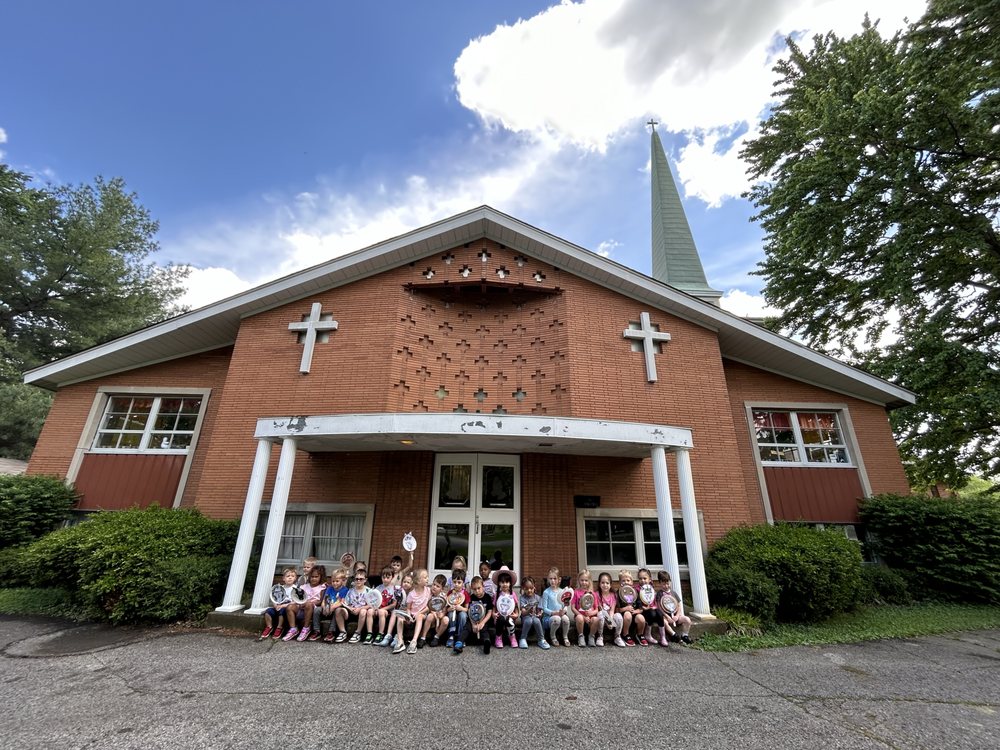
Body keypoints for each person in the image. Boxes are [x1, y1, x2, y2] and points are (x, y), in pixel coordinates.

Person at [395, 568, 431, 654]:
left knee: (419, 617)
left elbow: (428, 607)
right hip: (411, 614)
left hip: (422, 614)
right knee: (400, 618)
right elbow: (408, 608)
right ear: (418, 581)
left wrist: (419, 613)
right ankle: (400, 641)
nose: (427, 579)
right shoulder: (411, 594)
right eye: (425, 577)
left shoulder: (428, 591)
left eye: (427, 577)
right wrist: (408, 616)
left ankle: (414, 641)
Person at [337, 569, 375, 644]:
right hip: (351, 612)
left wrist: (360, 609)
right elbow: (346, 603)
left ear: (365, 580)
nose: (358, 581)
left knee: (363, 611)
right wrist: (350, 608)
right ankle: (342, 632)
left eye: (361, 579)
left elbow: (371, 604)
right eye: (356, 579)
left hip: (362, 614)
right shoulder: (350, 591)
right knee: (338, 610)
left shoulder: (369, 591)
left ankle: (358, 633)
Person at [657, 570, 693, 645]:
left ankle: (685, 635)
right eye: (663, 584)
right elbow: (659, 607)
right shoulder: (659, 594)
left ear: (670, 582)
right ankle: (674, 635)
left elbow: (679, 605)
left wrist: (677, 616)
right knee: (664, 622)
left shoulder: (673, 593)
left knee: (687, 620)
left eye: (667, 583)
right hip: (666, 617)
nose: (666, 586)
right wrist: (667, 617)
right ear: (659, 583)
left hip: (675, 616)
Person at [461, 575, 495, 654]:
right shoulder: (471, 598)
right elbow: (469, 611)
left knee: (484, 629)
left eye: (479, 588)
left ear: (483, 586)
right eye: (474, 589)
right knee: (467, 628)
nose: (477, 591)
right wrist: (473, 624)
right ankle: (460, 642)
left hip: (484, 620)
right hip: (472, 619)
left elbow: (489, 612)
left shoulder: (487, 597)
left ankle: (487, 642)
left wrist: (482, 623)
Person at [260, 567, 297, 640]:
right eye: (288, 576)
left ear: (295, 578)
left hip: (286, 609)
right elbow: (274, 598)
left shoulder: (295, 588)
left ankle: (279, 627)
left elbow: (294, 601)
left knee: (282, 611)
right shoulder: (280, 588)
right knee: (268, 611)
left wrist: (283, 605)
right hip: (278, 606)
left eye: (292, 576)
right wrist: (275, 605)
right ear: (283, 578)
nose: (290, 578)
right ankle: (269, 627)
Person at [380, 571, 414, 648]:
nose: (406, 584)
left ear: (412, 584)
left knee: (400, 616)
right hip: (399, 609)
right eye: (404, 582)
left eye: (408, 582)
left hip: (408, 612)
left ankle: (397, 637)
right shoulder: (398, 591)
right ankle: (388, 635)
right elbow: (395, 604)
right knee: (394, 612)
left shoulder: (412, 593)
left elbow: (411, 607)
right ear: (401, 582)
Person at [541, 567, 571, 647]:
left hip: (560, 614)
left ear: (559, 579)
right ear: (548, 579)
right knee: (556, 619)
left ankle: (565, 637)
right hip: (549, 617)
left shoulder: (562, 591)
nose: (553, 581)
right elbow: (544, 608)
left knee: (566, 619)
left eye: (555, 578)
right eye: (550, 578)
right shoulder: (546, 592)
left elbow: (565, 605)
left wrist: (564, 610)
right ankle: (553, 636)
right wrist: (553, 613)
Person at [296, 565, 326, 641]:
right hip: (301, 606)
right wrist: (301, 603)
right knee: (290, 607)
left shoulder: (322, 587)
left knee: (308, 604)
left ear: (321, 577)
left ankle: (306, 628)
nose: (314, 578)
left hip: (312, 607)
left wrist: (310, 603)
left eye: (316, 577)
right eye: (312, 576)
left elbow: (320, 601)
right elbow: (299, 598)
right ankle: (293, 628)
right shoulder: (304, 586)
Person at [492, 566, 520, 649]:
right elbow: (494, 606)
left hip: (510, 616)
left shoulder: (513, 594)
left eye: (507, 582)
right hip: (499, 617)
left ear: (510, 583)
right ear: (499, 583)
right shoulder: (497, 595)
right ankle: (498, 637)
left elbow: (516, 607)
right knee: (500, 619)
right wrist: (493, 614)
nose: (504, 584)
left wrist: (516, 615)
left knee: (509, 621)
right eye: (502, 582)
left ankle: (512, 637)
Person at [571, 568, 600, 647]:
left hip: (590, 617)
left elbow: (597, 609)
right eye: (582, 580)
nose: (584, 582)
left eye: (586, 580)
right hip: (580, 616)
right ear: (579, 580)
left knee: (596, 619)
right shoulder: (576, 592)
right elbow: (573, 608)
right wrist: (583, 616)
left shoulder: (593, 593)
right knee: (579, 618)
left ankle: (591, 636)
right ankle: (581, 636)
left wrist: (591, 613)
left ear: (589, 581)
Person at [595, 571, 625, 647]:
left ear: (610, 585)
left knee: (618, 616)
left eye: (607, 583)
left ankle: (617, 636)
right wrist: (608, 621)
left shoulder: (613, 595)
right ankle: (600, 636)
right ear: (599, 584)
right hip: (601, 618)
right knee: (600, 614)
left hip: (610, 616)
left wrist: (610, 620)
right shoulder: (597, 594)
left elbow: (612, 610)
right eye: (602, 583)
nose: (605, 585)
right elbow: (600, 609)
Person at [319, 568, 349, 642]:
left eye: (337, 581)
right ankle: (316, 630)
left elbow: (341, 602)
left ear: (342, 581)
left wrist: (331, 608)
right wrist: (324, 607)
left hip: (336, 608)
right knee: (317, 610)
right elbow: (324, 600)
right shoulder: (329, 588)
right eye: (333, 581)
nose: (335, 583)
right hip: (328, 608)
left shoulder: (344, 589)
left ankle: (331, 631)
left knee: (337, 611)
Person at [517, 576, 548, 649]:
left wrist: (540, 613)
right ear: (523, 588)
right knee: (529, 620)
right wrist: (528, 611)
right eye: (526, 588)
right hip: (526, 617)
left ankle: (541, 639)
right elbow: (523, 612)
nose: (529, 590)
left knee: (536, 620)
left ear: (534, 587)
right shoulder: (522, 598)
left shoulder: (538, 598)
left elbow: (540, 610)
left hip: (535, 617)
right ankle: (523, 638)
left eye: (531, 588)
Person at [420, 574, 450, 647]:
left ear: (442, 589)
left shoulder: (444, 596)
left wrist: (442, 615)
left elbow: (445, 609)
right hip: (432, 614)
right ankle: (423, 638)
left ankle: (437, 637)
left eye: (438, 586)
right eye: (434, 584)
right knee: (430, 616)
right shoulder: (429, 594)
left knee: (446, 620)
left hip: (440, 615)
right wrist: (435, 615)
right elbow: (429, 607)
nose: (434, 587)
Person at [373, 566, 399, 645]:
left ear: (392, 577)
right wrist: (375, 608)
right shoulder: (378, 588)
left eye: (388, 577)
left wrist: (382, 609)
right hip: (378, 608)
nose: (385, 579)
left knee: (381, 612)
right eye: (383, 577)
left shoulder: (395, 589)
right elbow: (373, 600)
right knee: (370, 611)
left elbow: (394, 604)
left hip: (388, 610)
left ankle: (380, 634)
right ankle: (369, 634)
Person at [617, 569, 643, 647]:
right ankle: (625, 634)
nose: (626, 582)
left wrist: (636, 611)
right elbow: (616, 610)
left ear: (631, 582)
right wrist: (625, 609)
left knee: (641, 618)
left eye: (628, 580)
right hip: (624, 616)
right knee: (627, 614)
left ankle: (640, 635)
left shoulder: (635, 592)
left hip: (634, 615)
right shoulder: (618, 593)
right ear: (620, 582)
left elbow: (641, 609)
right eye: (623, 580)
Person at [446, 571, 470, 652]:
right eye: (454, 582)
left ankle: (461, 637)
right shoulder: (450, 593)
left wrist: (461, 608)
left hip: (461, 612)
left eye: (459, 582)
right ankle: (451, 636)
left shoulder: (465, 593)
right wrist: (449, 609)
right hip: (452, 612)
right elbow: (446, 608)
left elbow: (467, 609)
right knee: (450, 614)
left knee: (463, 615)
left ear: (463, 583)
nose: (456, 584)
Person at [635, 567, 660, 646]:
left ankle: (663, 636)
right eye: (640, 578)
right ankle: (647, 634)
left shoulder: (651, 588)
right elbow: (637, 603)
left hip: (651, 608)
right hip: (642, 610)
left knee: (659, 613)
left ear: (649, 579)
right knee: (652, 613)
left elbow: (654, 600)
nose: (642, 580)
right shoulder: (637, 589)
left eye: (645, 578)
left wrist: (654, 606)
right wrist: (643, 608)